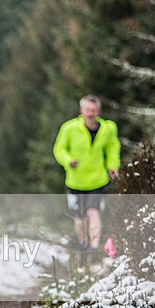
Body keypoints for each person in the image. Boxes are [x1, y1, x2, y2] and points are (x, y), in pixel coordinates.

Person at [53, 95, 121, 252]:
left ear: (99, 111)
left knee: (93, 211)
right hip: (75, 180)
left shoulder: (108, 129)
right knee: (80, 216)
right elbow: (59, 149)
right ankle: (83, 242)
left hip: (97, 179)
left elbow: (112, 149)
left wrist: (112, 167)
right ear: (81, 110)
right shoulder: (69, 128)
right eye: (88, 110)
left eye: (94, 110)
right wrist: (68, 161)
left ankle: (94, 245)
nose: (91, 113)